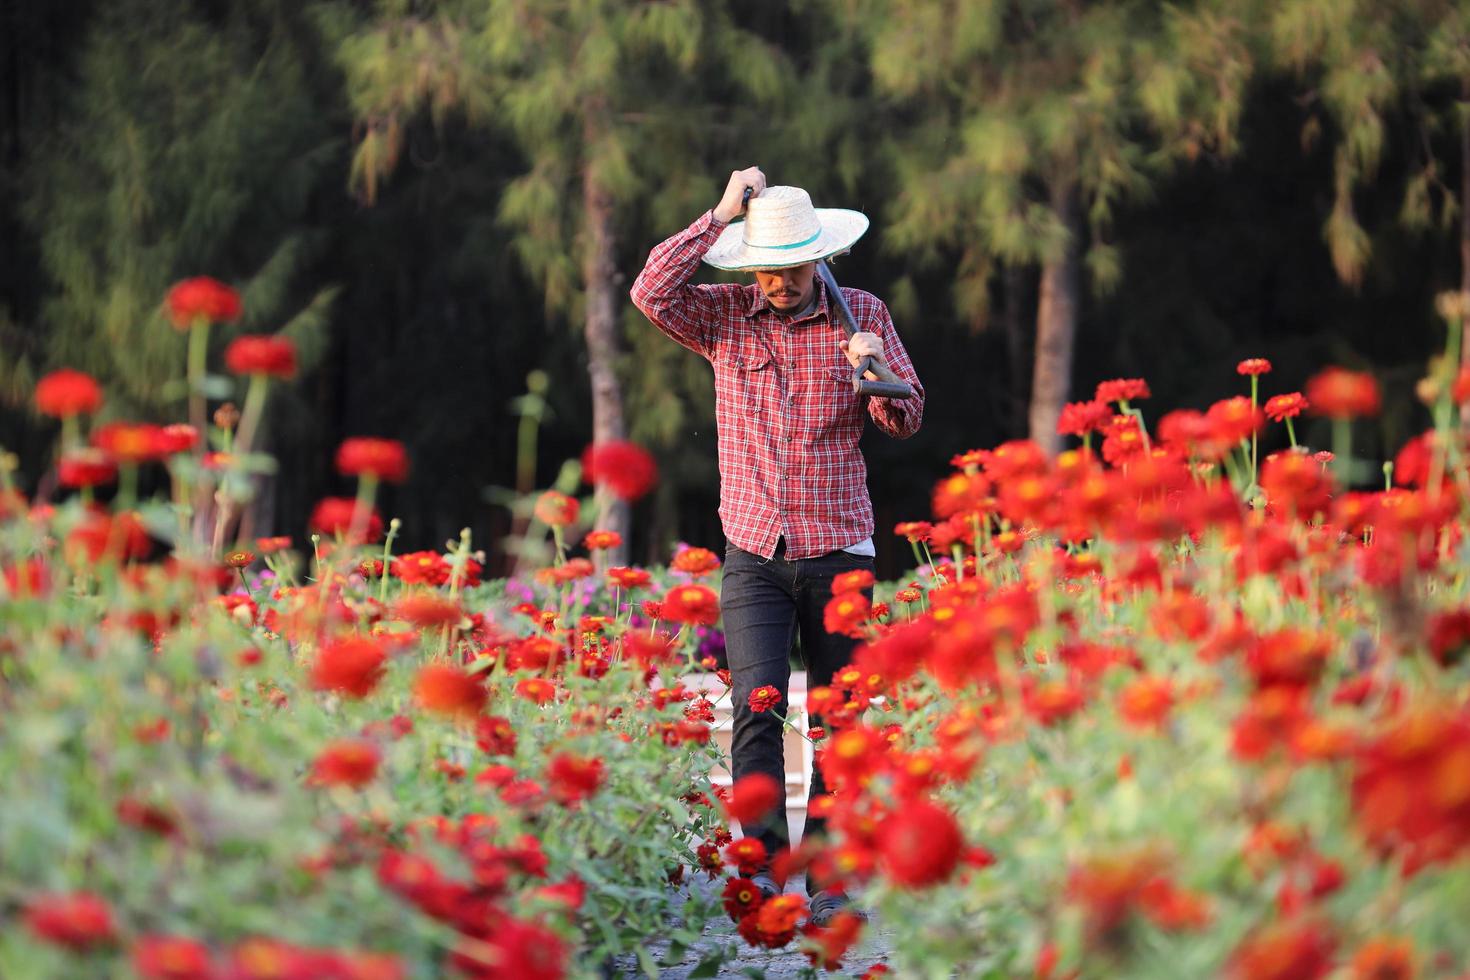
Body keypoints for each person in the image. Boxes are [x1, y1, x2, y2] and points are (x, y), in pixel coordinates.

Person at [630, 166, 924, 925]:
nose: (774, 284)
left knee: (840, 715)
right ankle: (758, 879)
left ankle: (830, 884)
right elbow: (650, 290)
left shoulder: (861, 314)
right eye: (761, 269)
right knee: (754, 711)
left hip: (840, 550)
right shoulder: (725, 317)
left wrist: (877, 376)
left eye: (787, 270)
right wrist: (721, 212)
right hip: (754, 551)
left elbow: (908, 418)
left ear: (815, 259)